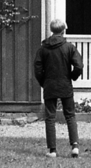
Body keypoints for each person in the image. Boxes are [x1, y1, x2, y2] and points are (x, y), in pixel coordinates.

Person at [33, 18, 83, 158]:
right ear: (63, 31)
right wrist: (72, 76)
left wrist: (43, 82)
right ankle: (74, 146)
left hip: (49, 84)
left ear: (51, 30)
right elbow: (79, 66)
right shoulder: (69, 47)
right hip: (65, 83)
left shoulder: (43, 49)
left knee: (50, 117)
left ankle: (52, 150)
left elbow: (37, 69)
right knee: (70, 115)